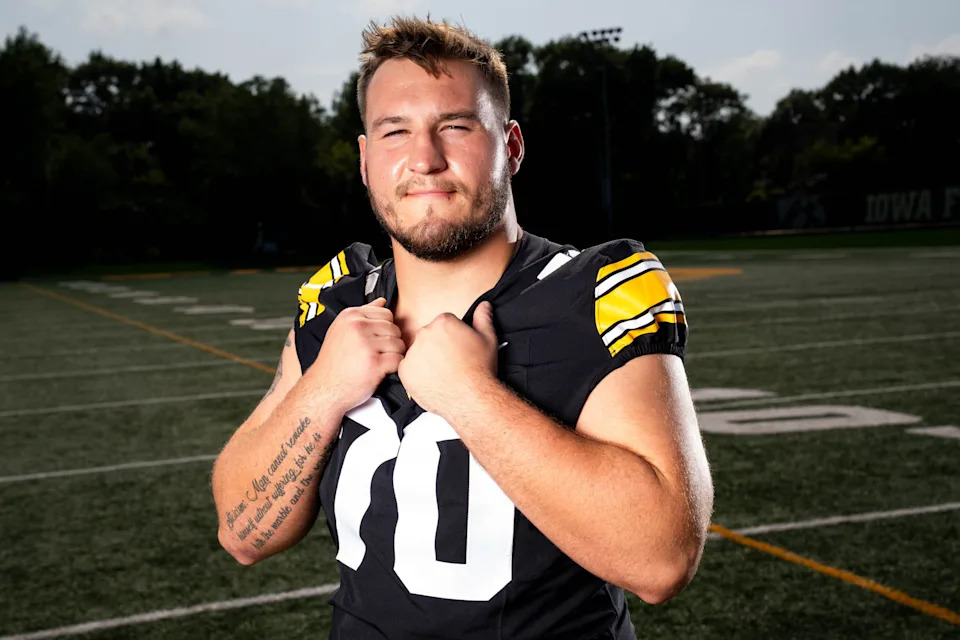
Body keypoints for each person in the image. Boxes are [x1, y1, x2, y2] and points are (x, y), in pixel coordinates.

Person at [212, 16, 713, 639]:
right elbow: (242, 533)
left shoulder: (592, 293)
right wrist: (325, 389)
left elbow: (661, 560)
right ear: (365, 160)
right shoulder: (336, 300)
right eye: (396, 131)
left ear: (512, 146)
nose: (424, 159)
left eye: (455, 125)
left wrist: (469, 394)